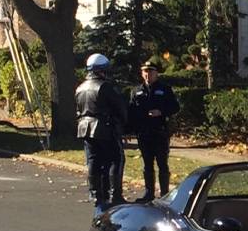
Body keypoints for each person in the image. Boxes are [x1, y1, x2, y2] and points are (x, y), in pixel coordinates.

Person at [75, 53, 128, 212]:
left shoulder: (80, 87)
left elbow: (78, 109)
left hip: (84, 127)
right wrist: (122, 124)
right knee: (115, 159)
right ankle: (115, 194)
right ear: (102, 70)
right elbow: (120, 108)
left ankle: (96, 193)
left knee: (93, 161)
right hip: (104, 127)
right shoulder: (105, 87)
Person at [128, 58, 180, 202]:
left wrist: (161, 111)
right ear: (141, 73)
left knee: (162, 163)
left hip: (160, 131)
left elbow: (175, 107)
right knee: (147, 164)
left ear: (156, 73)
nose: (148, 75)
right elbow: (131, 111)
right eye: (145, 72)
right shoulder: (136, 91)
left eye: (151, 72)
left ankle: (164, 193)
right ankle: (149, 193)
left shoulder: (164, 89)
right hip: (144, 133)